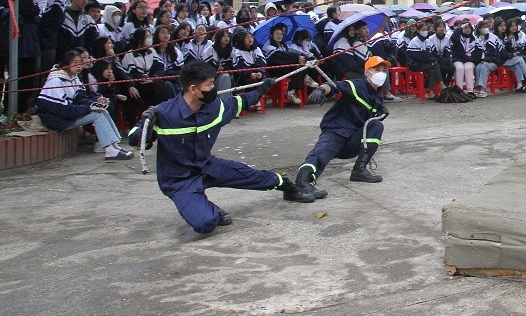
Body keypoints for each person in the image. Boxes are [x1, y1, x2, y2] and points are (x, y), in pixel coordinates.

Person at [130, 61, 313, 234]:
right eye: (210, 85)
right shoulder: (164, 114)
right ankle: (208, 209)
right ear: (193, 89)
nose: (214, 89)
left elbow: (240, 101)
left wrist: (261, 90)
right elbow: (135, 139)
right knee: (205, 224)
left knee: (249, 175)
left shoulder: (215, 108)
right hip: (179, 180)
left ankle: (287, 187)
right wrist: (145, 124)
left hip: (207, 166)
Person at [293, 56, 393, 199]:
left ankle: (359, 170)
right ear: (367, 72)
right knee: (320, 155)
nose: (381, 74)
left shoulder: (378, 96)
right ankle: (302, 181)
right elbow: (334, 86)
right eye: (377, 70)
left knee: (376, 125)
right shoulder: (357, 85)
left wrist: (380, 111)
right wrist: (321, 89)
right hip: (337, 131)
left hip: (352, 141)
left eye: (384, 71)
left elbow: (371, 116)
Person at [36, 50, 133, 160]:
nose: (78, 66)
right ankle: (110, 151)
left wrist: (96, 101)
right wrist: (87, 108)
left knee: (102, 110)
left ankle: (115, 145)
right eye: (74, 63)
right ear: (65, 64)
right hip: (57, 119)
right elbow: (63, 110)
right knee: (97, 115)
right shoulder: (55, 81)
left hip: (68, 115)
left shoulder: (74, 77)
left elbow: (80, 98)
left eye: (80, 62)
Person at [0, 0, 45, 115]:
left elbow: (34, 14)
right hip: (13, 43)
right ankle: (9, 109)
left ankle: (20, 109)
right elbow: (31, 12)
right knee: (13, 78)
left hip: (29, 44)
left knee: (27, 78)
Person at [451, 19, 480, 96]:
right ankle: (459, 90)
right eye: (465, 28)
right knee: (460, 68)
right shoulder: (458, 38)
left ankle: (470, 90)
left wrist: (472, 59)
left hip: (470, 60)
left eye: (469, 28)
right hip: (458, 59)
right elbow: (453, 39)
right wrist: (460, 28)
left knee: (468, 68)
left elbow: (479, 52)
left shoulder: (475, 39)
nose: (467, 30)